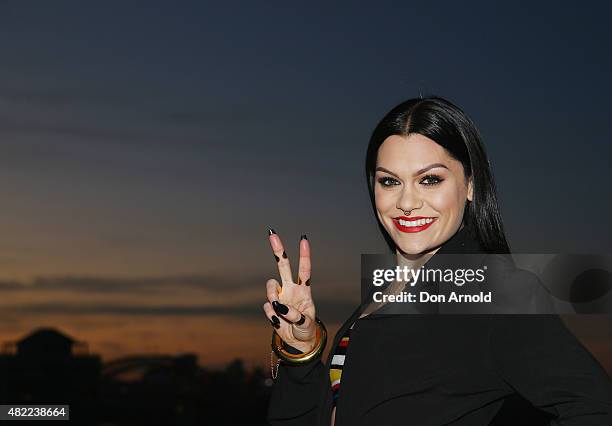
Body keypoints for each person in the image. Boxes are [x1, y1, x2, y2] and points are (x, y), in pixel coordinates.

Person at [262, 96, 612, 425]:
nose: (407, 202)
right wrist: (302, 352)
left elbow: (594, 409)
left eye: (430, 180)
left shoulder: (494, 291)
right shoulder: (384, 296)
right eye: (390, 181)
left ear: (471, 185)